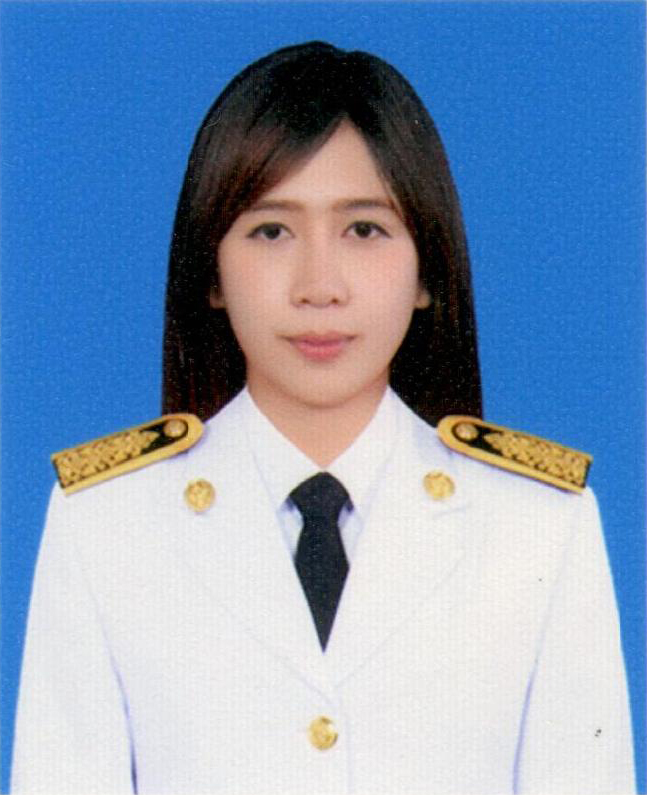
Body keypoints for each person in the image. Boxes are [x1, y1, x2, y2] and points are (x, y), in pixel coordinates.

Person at [11, 41, 634, 794]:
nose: (319, 286)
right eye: (271, 231)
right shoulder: (106, 522)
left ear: (427, 270)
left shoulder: (538, 522)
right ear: (212, 272)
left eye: (363, 229)